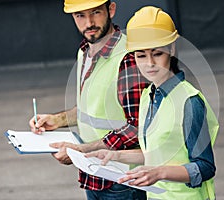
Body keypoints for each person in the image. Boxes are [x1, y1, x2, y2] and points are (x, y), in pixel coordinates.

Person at [85, 6, 219, 200]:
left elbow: (205, 166)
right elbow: (155, 154)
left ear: (171, 49)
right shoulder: (148, 95)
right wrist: (115, 156)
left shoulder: (189, 102)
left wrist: (158, 173)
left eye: (157, 54)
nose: (149, 63)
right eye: (140, 55)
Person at [29, 0, 148, 199]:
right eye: (80, 16)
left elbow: (135, 128)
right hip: (93, 174)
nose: (89, 23)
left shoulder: (127, 58)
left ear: (111, 10)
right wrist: (56, 120)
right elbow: (90, 110)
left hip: (123, 181)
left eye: (95, 12)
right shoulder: (85, 51)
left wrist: (81, 150)